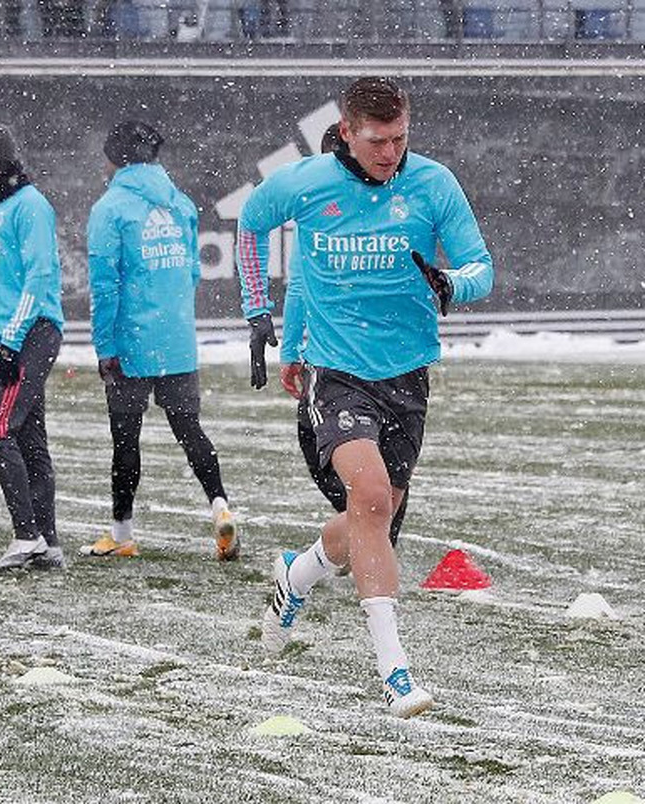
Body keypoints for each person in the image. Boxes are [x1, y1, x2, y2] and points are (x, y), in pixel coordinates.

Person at [237, 77, 493, 718]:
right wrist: (258, 314)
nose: (391, 153)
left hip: (406, 374)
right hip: (337, 368)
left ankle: (296, 576)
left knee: (373, 519)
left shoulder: (434, 184)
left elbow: (480, 269)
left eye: (401, 138)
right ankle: (395, 672)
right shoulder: (306, 183)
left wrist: (451, 286)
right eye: (378, 141)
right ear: (347, 132)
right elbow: (249, 223)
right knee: (373, 499)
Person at [83, 120, 239, 562]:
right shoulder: (181, 205)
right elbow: (191, 271)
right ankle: (220, 506)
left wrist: (104, 347)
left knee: (126, 441)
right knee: (190, 431)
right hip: (175, 339)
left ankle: (122, 533)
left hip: (131, 339)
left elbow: (105, 286)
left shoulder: (110, 208)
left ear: (114, 159)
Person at [281, 122, 408, 561]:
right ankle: (358, 541)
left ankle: (365, 541)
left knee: (384, 489)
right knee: (365, 488)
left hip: (388, 365)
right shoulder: (322, 211)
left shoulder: (398, 202)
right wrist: (290, 350)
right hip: (335, 364)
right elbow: (298, 284)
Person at [0, 123, 65, 572]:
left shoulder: (31, 207)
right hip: (10, 336)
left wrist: (9, 343)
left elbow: (38, 279)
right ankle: (49, 543)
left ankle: (27, 536)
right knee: (28, 437)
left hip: (33, 332)